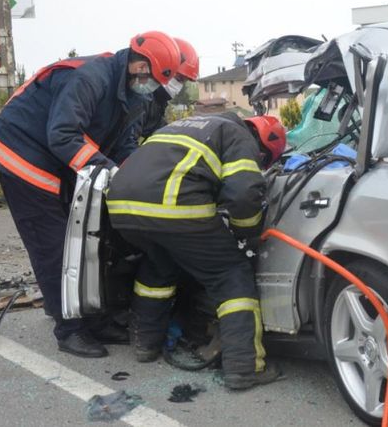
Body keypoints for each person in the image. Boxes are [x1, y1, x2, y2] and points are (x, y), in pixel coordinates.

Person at [0, 31, 182, 358]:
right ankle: (69, 330)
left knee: (91, 242)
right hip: (21, 155)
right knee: (57, 247)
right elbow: (63, 135)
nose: (150, 86)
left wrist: (136, 176)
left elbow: (123, 144)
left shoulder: (135, 95)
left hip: (56, 162)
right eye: (148, 78)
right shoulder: (91, 79)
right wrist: (109, 170)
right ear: (138, 63)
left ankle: (95, 320)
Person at [105, 112, 286, 390]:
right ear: (262, 144)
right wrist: (246, 234)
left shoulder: (188, 125)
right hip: (172, 206)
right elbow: (243, 193)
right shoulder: (239, 136)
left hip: (122, 208)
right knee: (230, 275)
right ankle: (244, 368)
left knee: (159, 266)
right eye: (263, 159)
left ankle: (145, 344)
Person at [142, 38, 200, 137]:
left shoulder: (158, 103)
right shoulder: (139, 101)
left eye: (184, 82)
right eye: (179, 78)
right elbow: (126, 144)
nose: (179, 86)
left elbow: (157, 133)